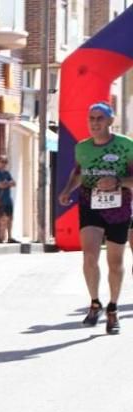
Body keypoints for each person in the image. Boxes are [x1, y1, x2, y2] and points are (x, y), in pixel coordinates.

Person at [57, 101, 133, 335]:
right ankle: (95, 303)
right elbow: (79, 171)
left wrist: (117, 182)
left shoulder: (126, 145)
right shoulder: (82, 147)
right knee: (89, 256)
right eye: (91, 118)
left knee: (114, 262)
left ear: (111, 121)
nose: (95, 122)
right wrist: (68, 189)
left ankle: (113, 307)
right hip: (90, 201)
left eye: (100, 118)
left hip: (119, 204)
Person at [0, 156, 18, 243]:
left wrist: (6, 183)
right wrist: (8, 183)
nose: (3, 164)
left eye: (5, 162)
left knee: (10, 218)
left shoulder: (7, 173)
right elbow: (0, 185)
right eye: (1, 162)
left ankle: (10, 237)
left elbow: (14, 183)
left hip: (8, 199)